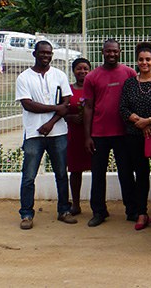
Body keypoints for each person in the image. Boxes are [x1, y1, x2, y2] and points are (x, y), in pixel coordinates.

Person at [16, 41, 76, 229]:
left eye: (49, 53)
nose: (46, 56)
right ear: (34, 54)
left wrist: (50, 123)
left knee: (61, 173)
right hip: (34, 133)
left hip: (58, 132)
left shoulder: (59, 75)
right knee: (29, 176)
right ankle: (26, 214)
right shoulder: (24, 77)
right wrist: (54, 108)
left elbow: (66, 104)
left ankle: (64, 210)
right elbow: (28, 104)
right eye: (42, 53)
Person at [84, 39, 138, 227]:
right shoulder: (92, 77)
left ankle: (131, 210)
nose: (112, 54)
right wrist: (87, 136)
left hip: (123, 133)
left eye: (115, 51)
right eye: (108, 51)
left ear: (120, 51)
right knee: (98, 174)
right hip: (99, 134)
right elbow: (88, 108)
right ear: (102, 52)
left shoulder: (129, 73)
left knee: (126, 173)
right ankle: (99, 211)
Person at [119, 42, 151, 230]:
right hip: (134, 135)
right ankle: (142, 212)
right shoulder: (130, 83)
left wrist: (148, 121)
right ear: (137, 61)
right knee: (140, 174)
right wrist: (139, 123)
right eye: (141, 59)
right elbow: (123, 108)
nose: (144, 62)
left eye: (148, 59)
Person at [65, 57, 92, 216]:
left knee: (97, 169)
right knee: (75, 171)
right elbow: (61, 110)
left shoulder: (94, 87)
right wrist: (70, 118)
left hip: (92, 134)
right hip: (74, 135)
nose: (82, 72)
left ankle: (98, 206)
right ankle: (75, 204)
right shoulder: (68, 90)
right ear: (73, 71)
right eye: (79, 69)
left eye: (85, 69)